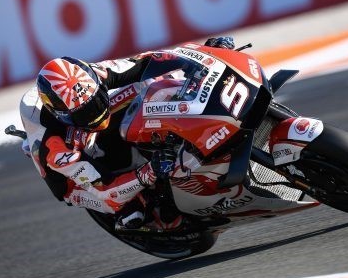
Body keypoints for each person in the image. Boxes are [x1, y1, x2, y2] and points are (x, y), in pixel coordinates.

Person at [19, 37, 235, 229]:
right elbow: (104, 190)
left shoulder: (93, 75)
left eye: (96, 103)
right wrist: (149, 172)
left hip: (79, 115)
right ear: (60, 114)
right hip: (75, 177)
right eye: (84, 113)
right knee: (121, 208)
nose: (95, 115)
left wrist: (203, 55)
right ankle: (139, 209)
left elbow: (146, 62)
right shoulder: (54, 145)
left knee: (149, 84)